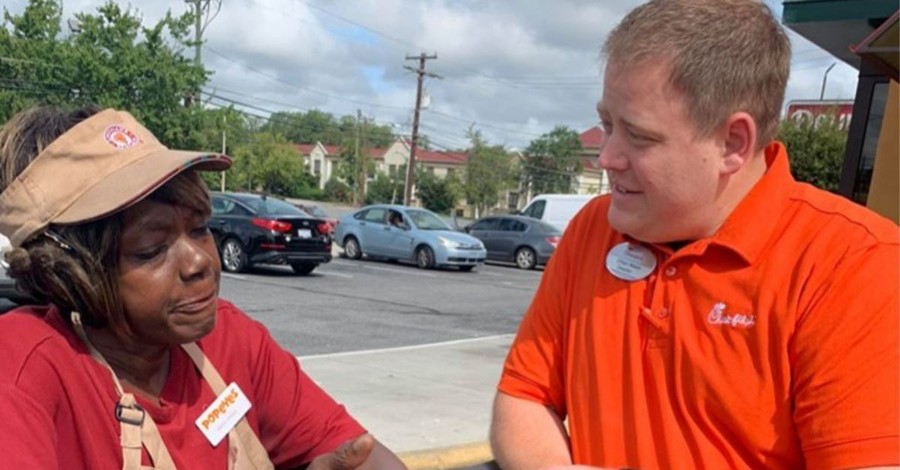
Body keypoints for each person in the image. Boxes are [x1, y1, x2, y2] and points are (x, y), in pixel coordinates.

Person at [490, 1, 899, 469]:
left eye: (638, 136)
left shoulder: (854, 264)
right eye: (607, 124)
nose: (606, 157)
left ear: (733, 143)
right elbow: (524, 396)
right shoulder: (593, 229)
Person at [0, 106, 407, 470]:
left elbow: (364, 456)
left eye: (199, 229)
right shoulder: (22, 369)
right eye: (151, 249)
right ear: (70, 272)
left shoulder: (230, 340)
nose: (200, 262)